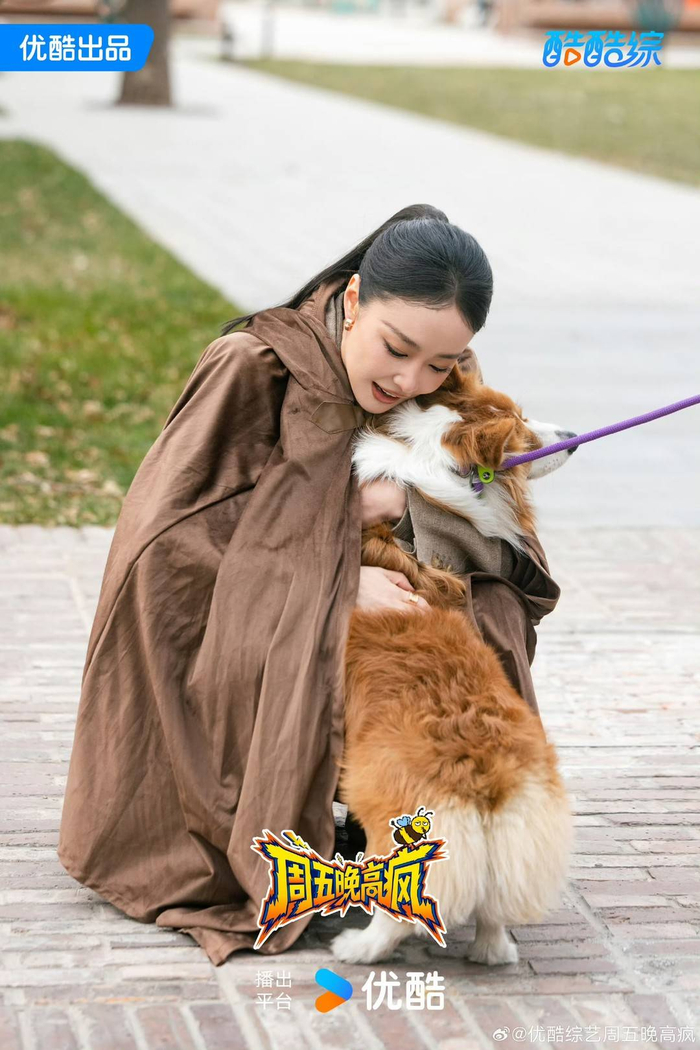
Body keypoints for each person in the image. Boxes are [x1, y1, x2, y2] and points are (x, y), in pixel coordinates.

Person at [57, 203, 559, 966]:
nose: (410, 379)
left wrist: (422, 501)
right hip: (241, 601)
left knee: (490, 608)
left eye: (440, 365)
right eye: (396, 349)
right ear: (352, 300)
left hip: (377, 571)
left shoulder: (437, 376)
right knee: (336, 634)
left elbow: (496, 527)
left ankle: (438, 830)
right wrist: (333, 580)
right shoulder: (254, 365)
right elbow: (167, 547)